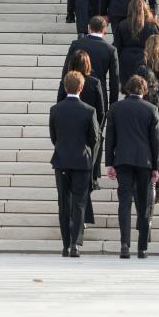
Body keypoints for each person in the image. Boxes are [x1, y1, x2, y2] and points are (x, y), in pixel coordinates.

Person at [105, 75, 159, 258]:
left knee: (124, 203)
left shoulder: (115, 108)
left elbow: (110, 138)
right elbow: (155, 142)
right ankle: (142, 247)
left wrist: (109, 163)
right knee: (144, 204)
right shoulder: (151, 109)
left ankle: (124, 245)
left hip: (123, 160)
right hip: (144, 162)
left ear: (127, 89)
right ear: (144, 90)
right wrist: (156, 167)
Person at [48, 71, 99, 258]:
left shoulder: (55, 109)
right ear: (81, 87)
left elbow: (53, 136)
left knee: (63, 203)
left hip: (62, 161)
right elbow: (95, 138)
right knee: (79, 203)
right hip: (81, 161)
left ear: (64, 86)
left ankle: (64, 244)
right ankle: (75, 244)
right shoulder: (89, 110)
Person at [56, 49, 106, 186]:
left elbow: (59, 106)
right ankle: (92, 179)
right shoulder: (95, 83)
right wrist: (97, 128)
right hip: (90, 129)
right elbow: (101, 111)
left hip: (69, 130)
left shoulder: (65, 82)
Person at [62, 16, 120, 108]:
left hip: (75, 91)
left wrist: (61, 98)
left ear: (89, 28)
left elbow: (66, 71)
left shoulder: (76, 44)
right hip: (99, 95)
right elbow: (114, 81)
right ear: (104, 30)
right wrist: (113, 105)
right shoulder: (111, 50)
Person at [113, 0, 159, 86]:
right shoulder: (152, 26)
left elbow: (117, 46)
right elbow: (158, 45)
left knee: (128, 88)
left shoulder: (122, 25)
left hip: (125, 60)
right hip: (145, 59)